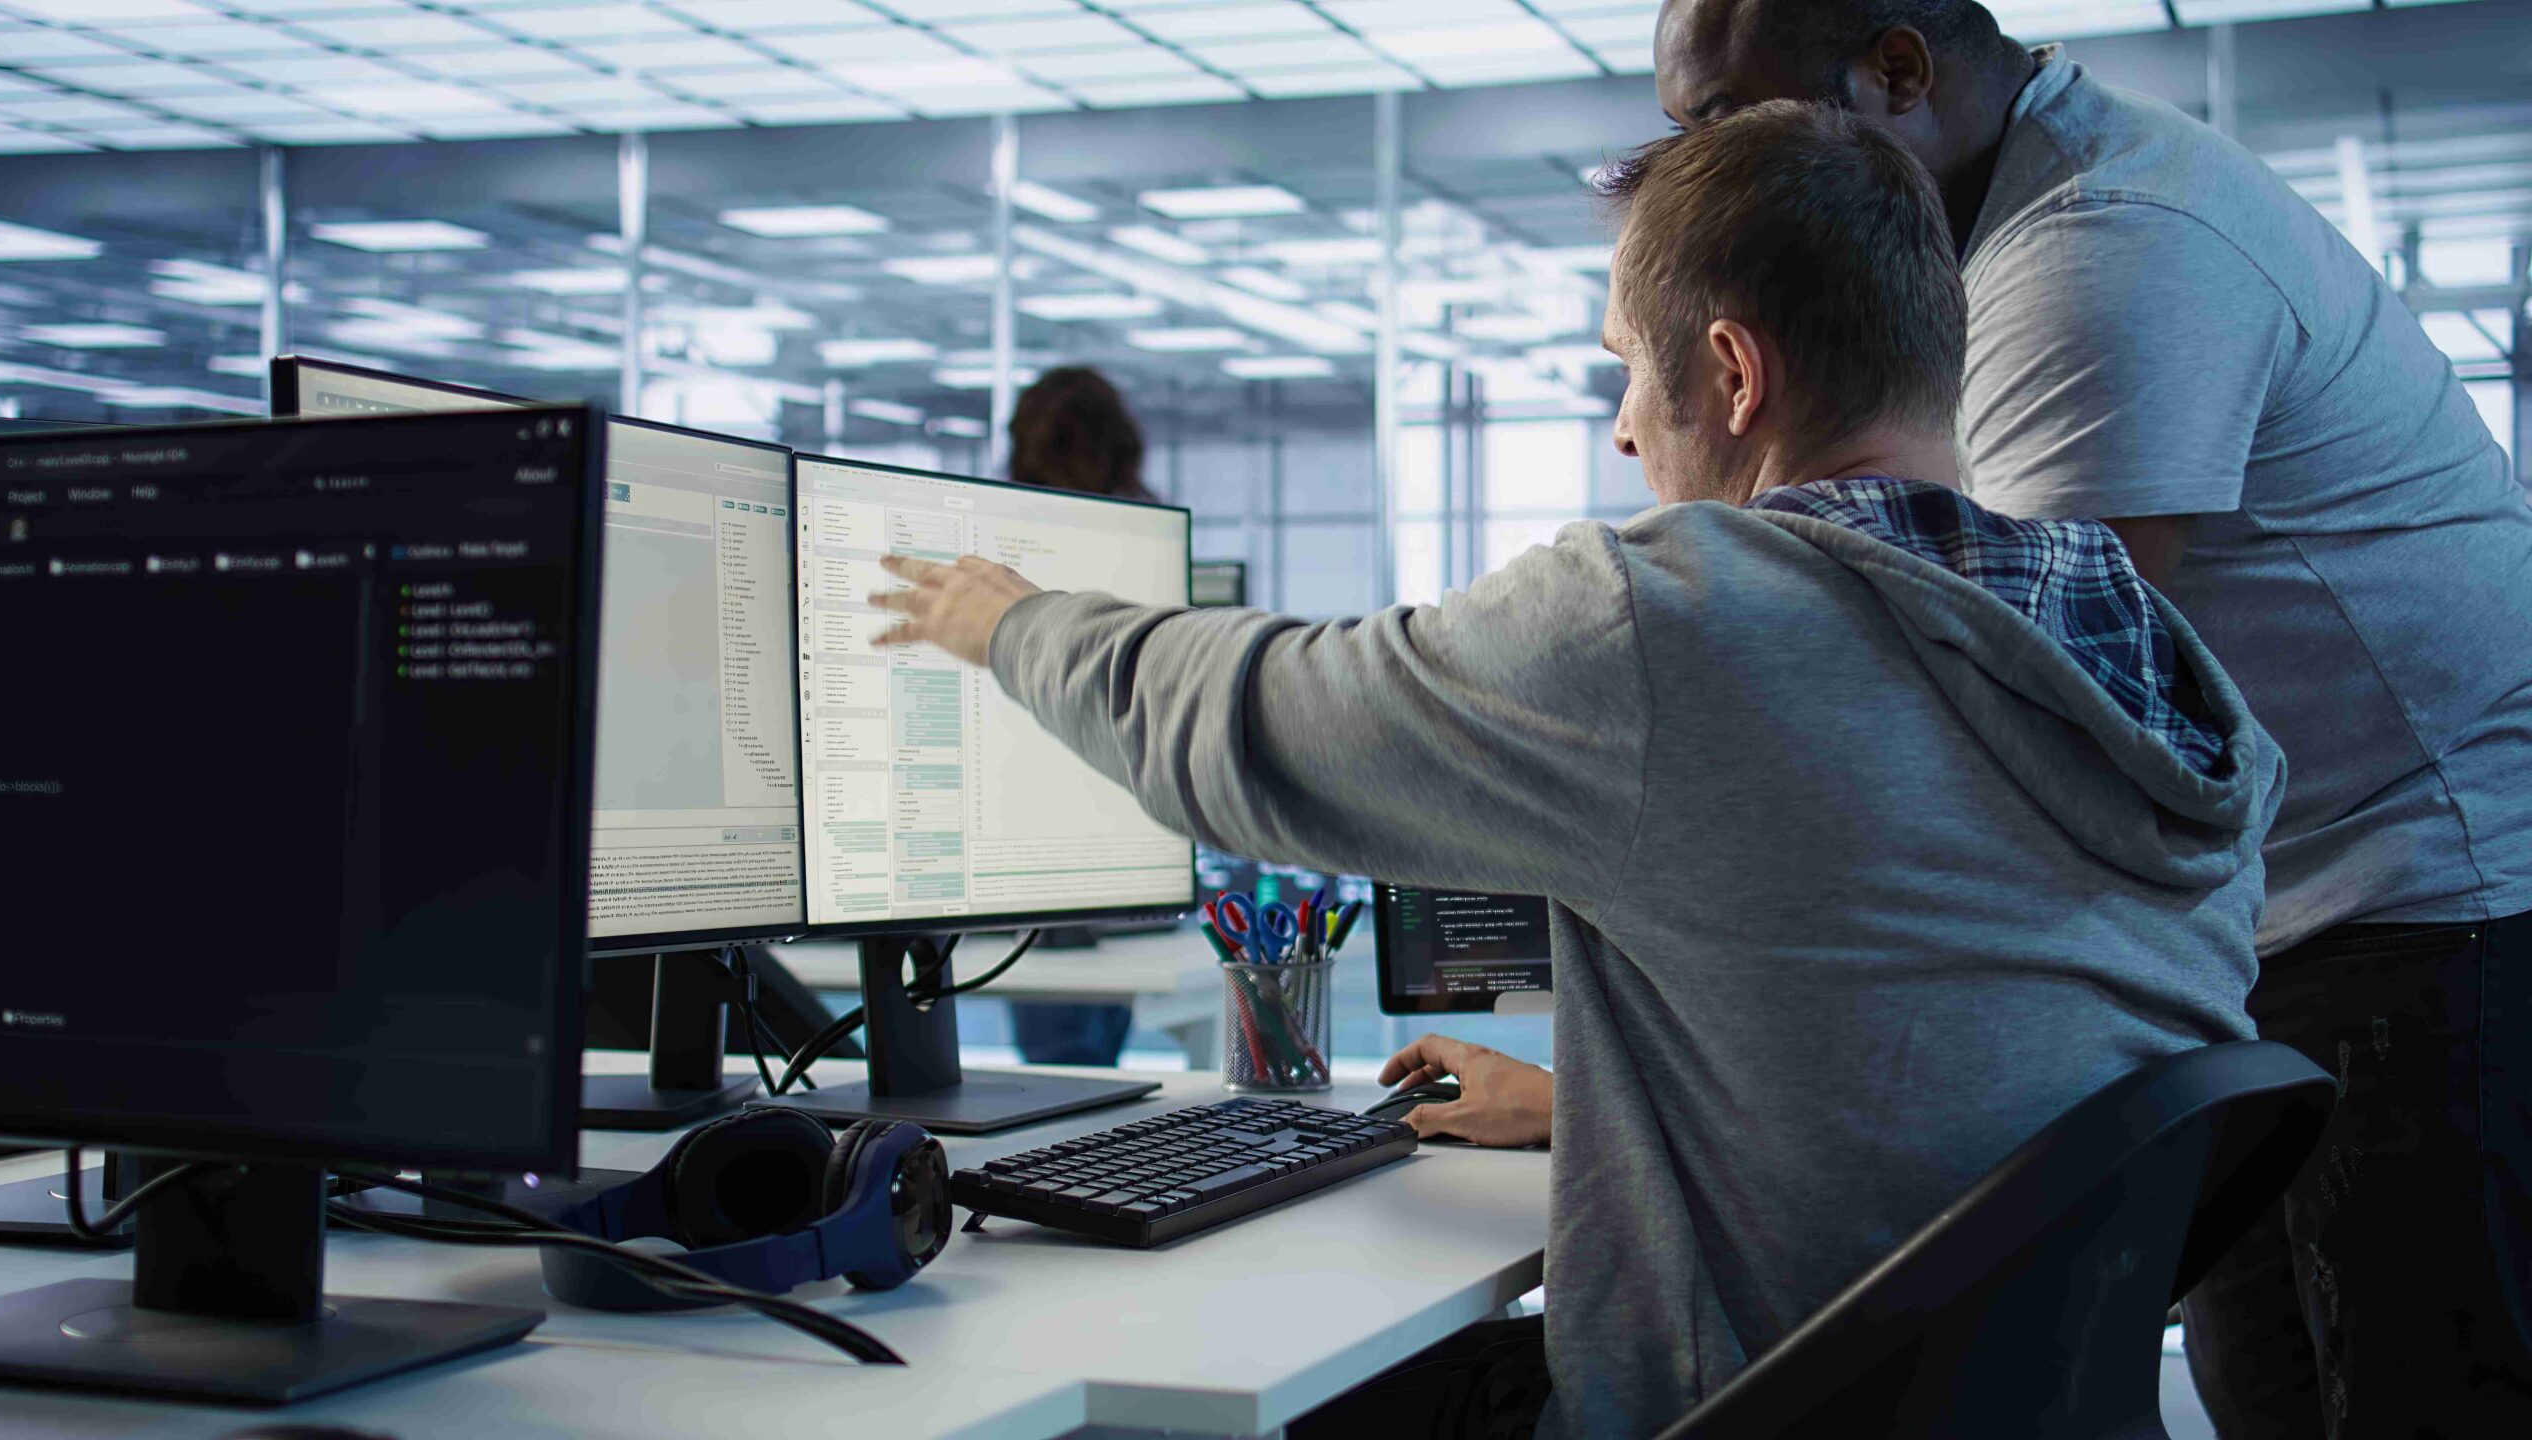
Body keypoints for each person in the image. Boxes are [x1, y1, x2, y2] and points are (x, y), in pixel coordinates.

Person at [865, 102, 2283, 1438]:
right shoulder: (2132, 645)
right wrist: (1578, 1111)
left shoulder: (1688, 617)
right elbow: (1955, 1042)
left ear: (1731, 373)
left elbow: (1260, 729)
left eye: (1623, 362)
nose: (1619, 422)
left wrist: (1012, 622)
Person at [1649, 3, 2532, 1433]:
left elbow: (2020, 725)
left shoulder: (2100, 249)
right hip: (2268, 908)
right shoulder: (1987, 238)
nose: (1700, 170)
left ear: (1897, 72)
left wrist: (1654, 1081)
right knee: (2274, 1384)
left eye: (1729, 122)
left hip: (2423, 898)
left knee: (2417, 1390)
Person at [999, 365, 1156, 1068]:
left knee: (1059, 1056)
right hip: (1120, 808)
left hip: (1028, 823)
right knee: (1087, 1050)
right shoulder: (1139, 541)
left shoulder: (999, 544)